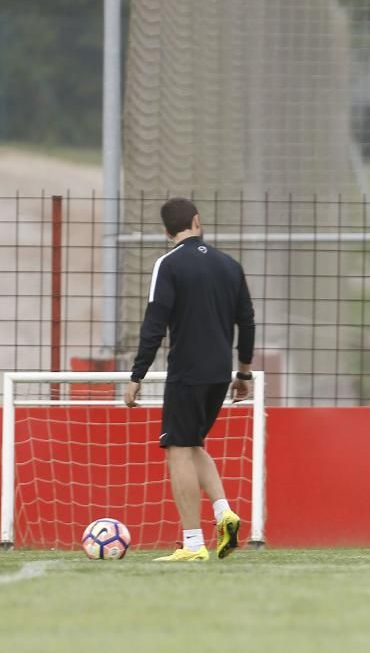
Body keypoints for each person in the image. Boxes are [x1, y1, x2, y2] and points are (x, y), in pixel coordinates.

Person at [124, 197, 255, 562]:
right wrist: (243, 372)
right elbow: (246, 321)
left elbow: (155, 324)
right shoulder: (230, 266)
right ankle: (223, 512)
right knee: (192, 443)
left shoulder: (168, 265)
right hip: (219, 373)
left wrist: (137, 375)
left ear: (167, 231)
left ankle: (193, 543)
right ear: (197, 221)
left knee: (176, 448)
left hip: (187, 372)